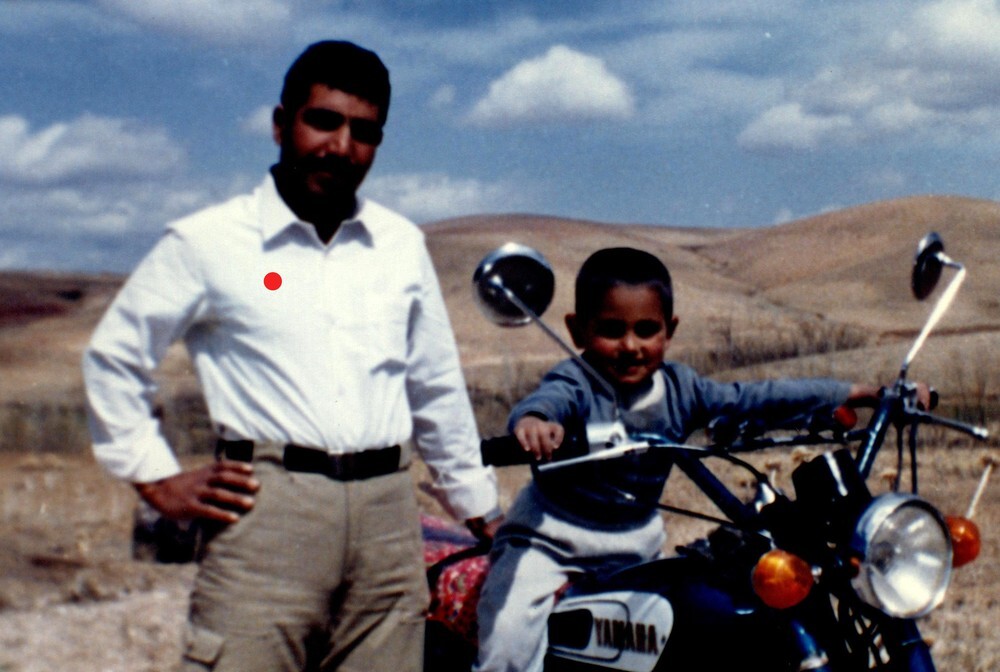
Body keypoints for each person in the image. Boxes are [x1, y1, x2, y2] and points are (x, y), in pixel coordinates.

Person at [82, 40, 502, 672]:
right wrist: (157, 478)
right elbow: (115, 358)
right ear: (282, 125)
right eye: (323, 121)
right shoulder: (209, 242)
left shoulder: (400, 246)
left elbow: (434, 385)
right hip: (267, 516)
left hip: (389, 523)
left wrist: (478, 507)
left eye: (363, 131)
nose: (341, 146)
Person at [473, 247, 915, 672]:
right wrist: (535, 424)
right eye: (611, 330)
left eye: (646, 329)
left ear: (669, 330)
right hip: (550, 541)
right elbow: (546, 402)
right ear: (577, 331)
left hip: (634, 546)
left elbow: (753, 398)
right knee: (509, 633)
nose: (630, 345)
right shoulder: (575, 382)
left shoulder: (682, 389)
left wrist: (851, 393)